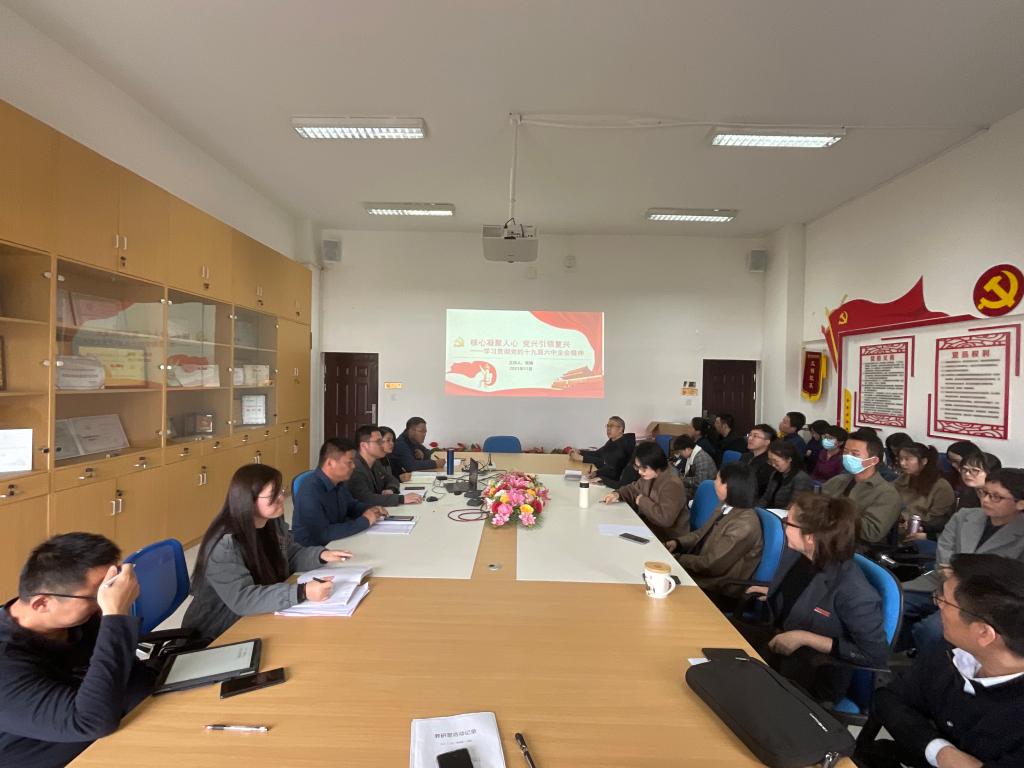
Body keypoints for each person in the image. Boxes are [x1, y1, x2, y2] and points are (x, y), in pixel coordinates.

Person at [854, 553, 1024, 768]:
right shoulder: (953, 652)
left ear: (983, 633)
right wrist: (939, 750)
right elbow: (888, 699)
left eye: (945, 602)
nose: (937, 606)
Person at [0, 533, 155, 767]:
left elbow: (132, 677)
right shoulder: (5, 661)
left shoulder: (76, 619)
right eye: (98, 594)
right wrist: (115, 616)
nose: (107, 598)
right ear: (42, 603)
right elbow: (89, 722)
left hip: (115, 726)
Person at [740, 493, 889, 705]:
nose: (783, 525)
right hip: (776, 644)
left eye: (788, 522)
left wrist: (806, 638)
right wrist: (775, 591)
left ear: (810, 537)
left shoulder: (855, 592)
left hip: (810, 673)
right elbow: (800, 594)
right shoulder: (797, 555)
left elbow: (875, 655)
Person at [183, 464, 353, 643]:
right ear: (248, 501)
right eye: (273, 495)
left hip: (257, 613)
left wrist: (320, 556)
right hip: (218, 630)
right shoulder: (224, 545)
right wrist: (302, 592)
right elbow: (243, 599)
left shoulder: (270, 522)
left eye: (281, 491)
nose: (282, 498)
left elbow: (289, 555)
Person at [898, 468, 1024, 654]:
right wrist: (950, 577)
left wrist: (959, 576)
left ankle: (928, 665)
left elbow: (1009, 580)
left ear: (1020, 503)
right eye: (984, 493)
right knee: (892, 603)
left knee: (933, 631)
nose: (986, 500)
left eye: (996, 497)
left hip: (980, 600)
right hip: (939, 582)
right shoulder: (964, 516)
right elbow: (944, 550)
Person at [666, 463, 763, 603]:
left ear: (728, 486)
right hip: (702, 573)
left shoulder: (744, 525)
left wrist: (678, 558)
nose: (714, 483)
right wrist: (678, 543)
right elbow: (701, 533)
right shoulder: (726, 506)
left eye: (717, 479)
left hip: (717, 588)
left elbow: (711, 565)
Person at [292, 437, 387, 546]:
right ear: (330, 463)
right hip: (315, 549)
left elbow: (351, 506)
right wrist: (364, 521)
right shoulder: (309, 490)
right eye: (349, 462)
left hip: (339, 540)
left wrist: (370, 509)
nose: (354, 466)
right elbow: (323, 534)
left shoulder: (338, 483)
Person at [821, 429, 902, 547]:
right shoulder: (838, 480)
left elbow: (872, 532)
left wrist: (834, 514)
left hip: (854, 547)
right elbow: (816, 504)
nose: (847, 457)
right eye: (845, 452)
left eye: (855, 454)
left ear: (873, 460)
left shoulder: (887, 494)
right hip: (822, 537)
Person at [603, 441, 688, 542]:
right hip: (649, 528)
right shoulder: (650, 475)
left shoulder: (672, 484)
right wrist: (617, 494)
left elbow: (665, 519)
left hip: (667, 538)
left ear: (655, 463)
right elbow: (633, 489)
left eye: (643, 468)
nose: (640, 471)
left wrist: (642, 501)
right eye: (638, 467)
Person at [347, 424, 423, 507]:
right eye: (379, 442)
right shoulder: (354, 467)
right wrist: (401, 499)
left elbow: (391, 479)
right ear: (364, 445)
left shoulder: (375, 463)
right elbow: (366, 498)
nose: (382, 445)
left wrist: (390, 489)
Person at [894, 442, 956, 539]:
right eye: (900, 459)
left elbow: (938, 520)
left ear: (924, 461)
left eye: (907, 459)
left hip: (920, 530)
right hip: (897, 525)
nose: (902, 463)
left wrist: (912, 523)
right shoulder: (904, 478)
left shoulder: (941, 486)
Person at [570, 416, 633, 486]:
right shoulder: (612, 441)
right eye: (607, 426)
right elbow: (597, 454)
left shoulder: (624, 445)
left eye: (611, 426)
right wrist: (580, 452)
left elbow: (607, 464)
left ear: (620, 429)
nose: (608, 429)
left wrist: (581, 458)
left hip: (616, 484)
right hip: (605, 478)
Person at [759, 439, 814, 510]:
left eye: (775, 461)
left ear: (789, 459)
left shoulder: (801, 478)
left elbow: (795, 506)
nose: (773, 465)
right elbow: (766, 498)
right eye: (770, 461)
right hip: (771, 511)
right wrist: (757, 509)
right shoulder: (775, 474)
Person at [739, 423, 777, 499]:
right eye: (750, 435)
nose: (750, 438)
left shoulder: (769, 463)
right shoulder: (745, 456)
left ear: (767, 442)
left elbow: (756, 487)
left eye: (755, 436)